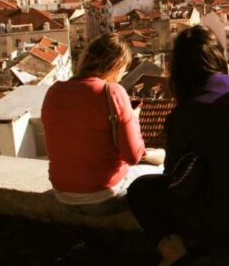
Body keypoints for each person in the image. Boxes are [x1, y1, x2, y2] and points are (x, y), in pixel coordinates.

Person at [128, 26, 229, 265]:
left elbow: (174, 179)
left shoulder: (188, 111)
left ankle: (175, 254)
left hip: (224, 221)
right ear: (217, 57)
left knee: (139, 190)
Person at [42, 33, 163, 216]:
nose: (123, 74)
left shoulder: (54, 91)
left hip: (63, 195)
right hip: (104, 197)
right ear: (116, 65)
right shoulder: (112, 91)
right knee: (162, 169)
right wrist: (133, 118)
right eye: (123, 68)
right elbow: (133, 156)